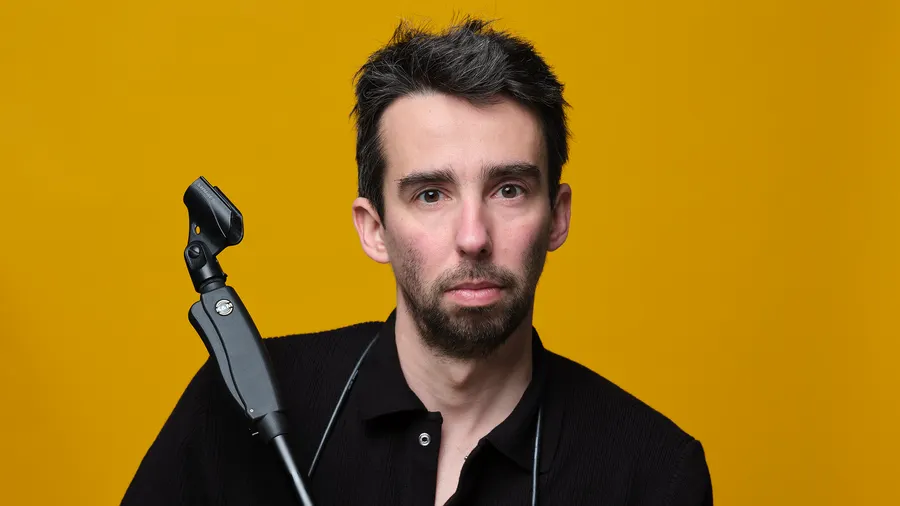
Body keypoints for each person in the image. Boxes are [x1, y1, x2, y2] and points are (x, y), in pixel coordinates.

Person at [122, 17, 713, 506]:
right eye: (431, 195)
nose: (473, 237)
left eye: (509, 189)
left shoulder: (653, 474)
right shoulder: (243, 399)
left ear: (557, 217)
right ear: (374, 228)